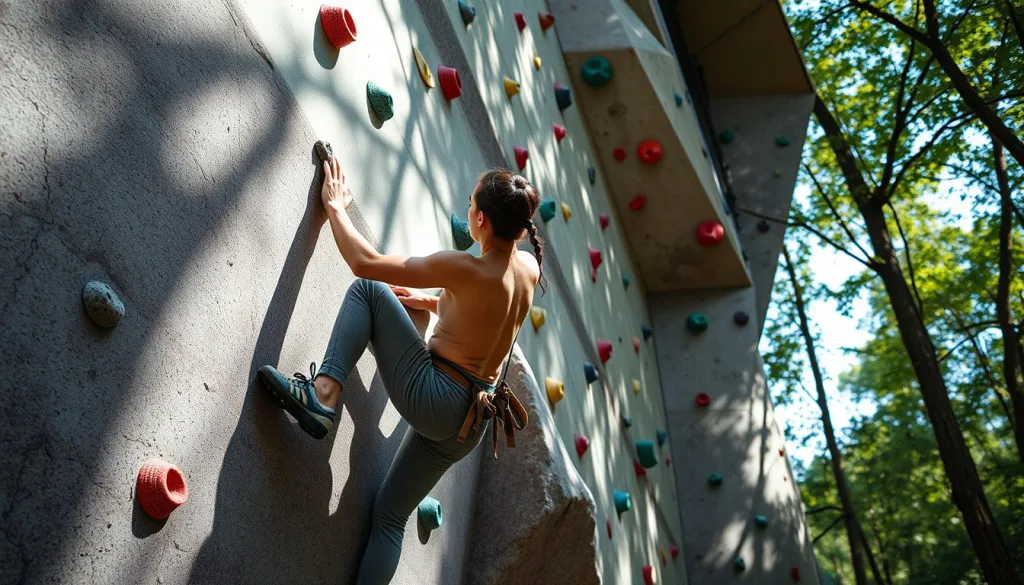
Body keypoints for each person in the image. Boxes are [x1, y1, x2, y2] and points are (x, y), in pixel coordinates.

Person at [257, 152, 543, 584]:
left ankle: (322, 396)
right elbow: (490, 312)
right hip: (470, 424)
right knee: (390, 517)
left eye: (471, 202)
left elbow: (365, 263)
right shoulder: (528, 269)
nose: (468, 209)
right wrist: (429, 301)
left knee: (368, 292)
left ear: (481, 221)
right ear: (521, 230)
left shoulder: (464, 266)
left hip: (436, 396)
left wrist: (335, 205)